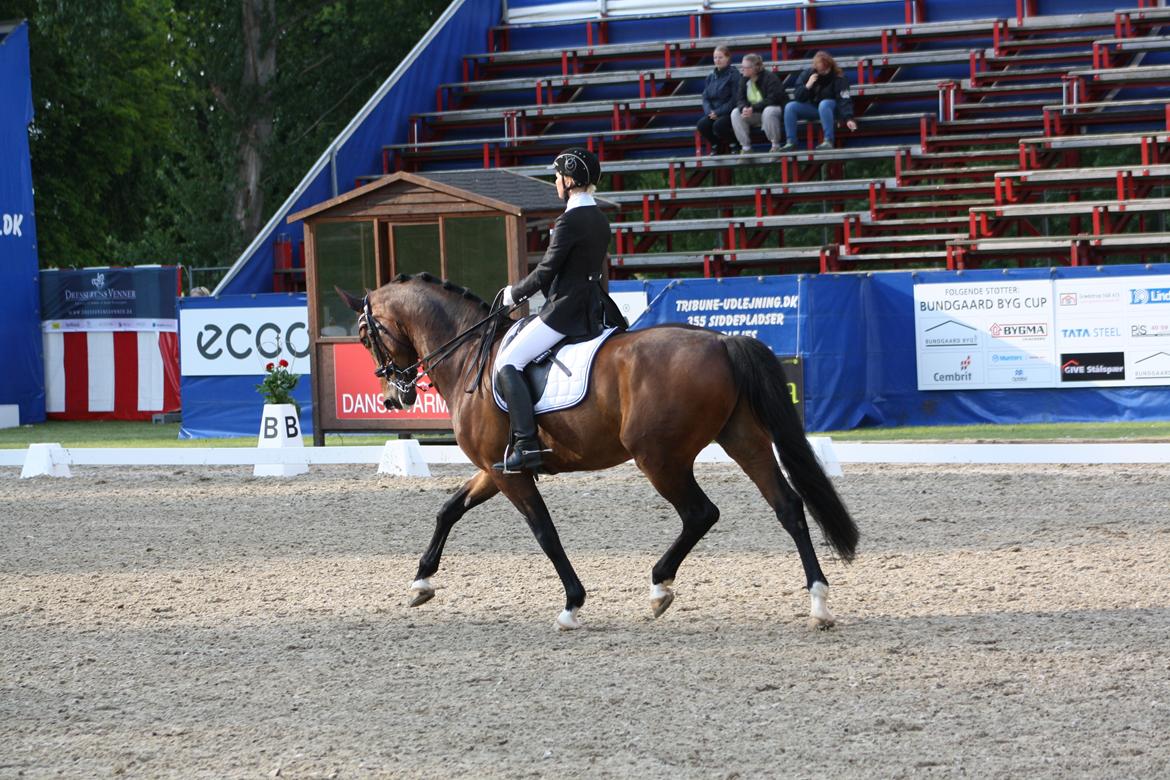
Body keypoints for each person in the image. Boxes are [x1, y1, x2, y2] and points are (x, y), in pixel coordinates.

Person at [493, 147, 627, 473]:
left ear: (569, 180)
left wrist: (512, 293)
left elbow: (545, 273)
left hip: (566, 310)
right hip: (594, 305)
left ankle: (525, 444)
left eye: (557, 177)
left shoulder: (569, 221)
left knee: (508, 362)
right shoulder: (598, 217)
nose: (555, 182)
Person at [780, 51, 858, 151]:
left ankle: (828, 140)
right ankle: (791, 142)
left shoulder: (839, 77)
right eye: (821, 71)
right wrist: (807, 86)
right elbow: (798, 97)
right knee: (790, 107)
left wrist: (848, 118)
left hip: (832, 108)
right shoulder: (808, 74)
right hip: (815, 108)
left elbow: (844, 99)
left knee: (824, 104)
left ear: (830, 66)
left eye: (826, 70)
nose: (823, 73)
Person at [730, 53, 789, 153]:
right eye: (742, 67)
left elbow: (772, 100)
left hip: (774, 110)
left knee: (768, 111)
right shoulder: (743, 80)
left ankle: (775, 145)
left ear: (755, 68)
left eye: (745, 67)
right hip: (755, 112)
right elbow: (739, 99)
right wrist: (743, 108)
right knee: (735, 113)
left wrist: (753, 108)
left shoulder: (770, 78)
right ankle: (746, 148)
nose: (742, 69)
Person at [697, 45, 741, 155]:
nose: (717, 60)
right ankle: (716, 145)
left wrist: (718, 112)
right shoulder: (710, 77)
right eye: (715, 58)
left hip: (729, 112)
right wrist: (710, 112)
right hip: (713, 112)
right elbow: (705, 97)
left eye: (720, 57)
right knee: (702, 124)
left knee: (719, 125)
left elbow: (735, 99)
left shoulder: (734, 75)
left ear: (728, 58)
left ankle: (734, 144)